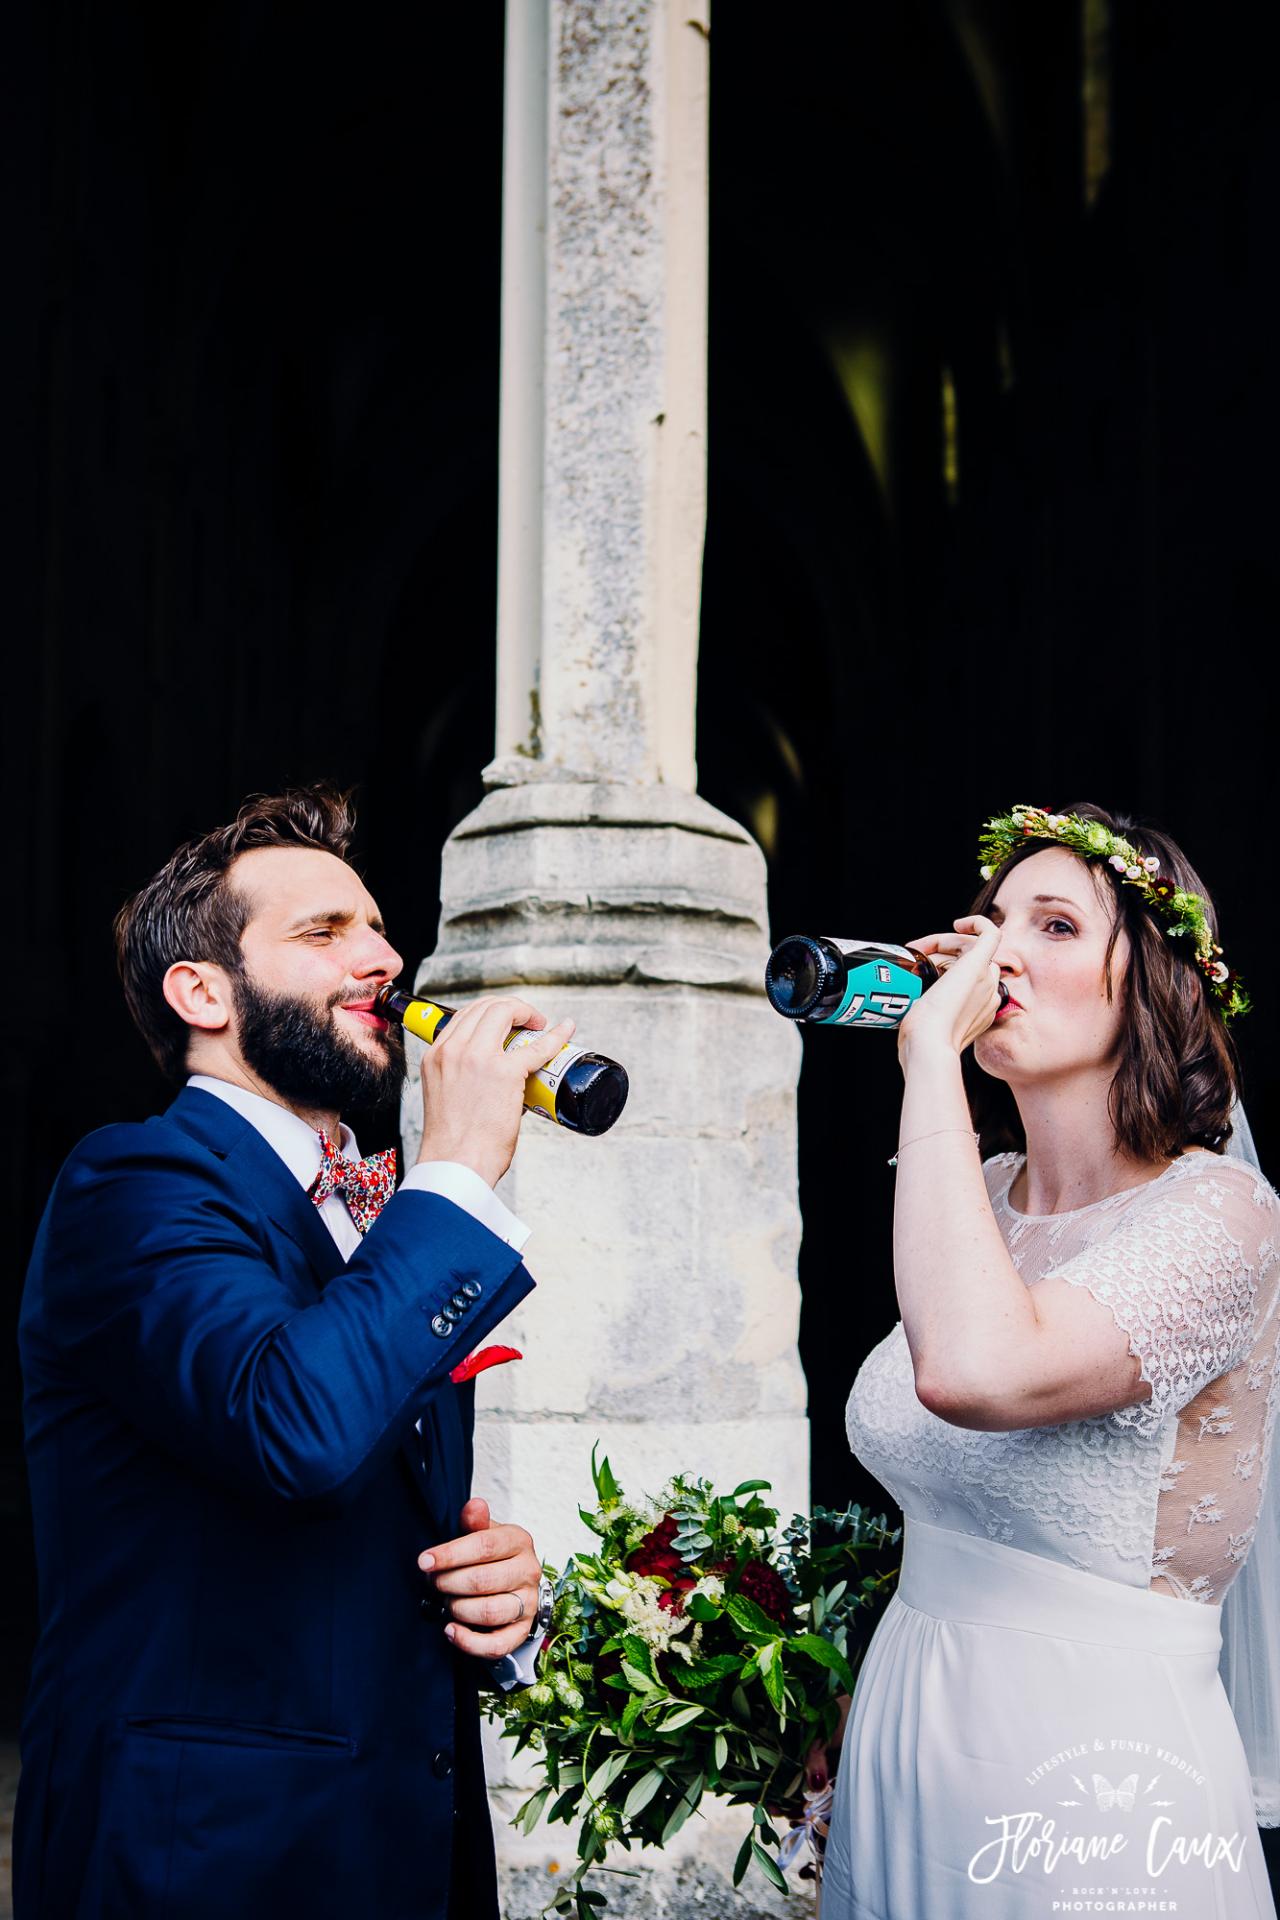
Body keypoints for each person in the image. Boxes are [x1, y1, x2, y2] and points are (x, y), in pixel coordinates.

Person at [14, 784, 573, 1920]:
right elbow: (296, 1427)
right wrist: (457, 1168)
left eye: (376, 927)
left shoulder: (377, 1215)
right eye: (323, 933)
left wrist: (496, 1607)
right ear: (202, 991)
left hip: (397, 1844)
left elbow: (371, 1518)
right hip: (204, 1858)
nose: (381, 956)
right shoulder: (133, 1183)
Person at [820, 802, 1280, 1919]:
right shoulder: (974, 1197)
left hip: (1090, 1766)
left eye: (1055, 926)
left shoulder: (1223, 1219)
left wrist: (927, 1055)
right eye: (988, 919)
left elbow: (974, 1373)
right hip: (906, 1734)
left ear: (1150, 987)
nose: (997, 952)